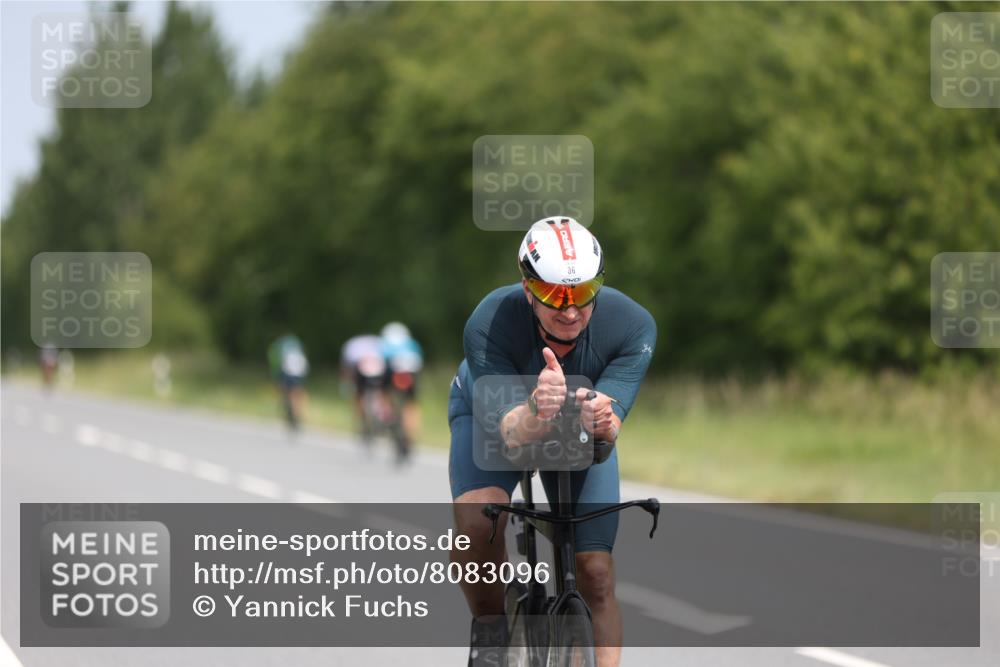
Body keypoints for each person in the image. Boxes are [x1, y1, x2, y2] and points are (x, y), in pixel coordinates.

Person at [448, 217, 656, 667]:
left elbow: (608, 433)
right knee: (477, 522)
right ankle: (489, 630)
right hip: (495, 417)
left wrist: (603, 419)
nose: (570, 310)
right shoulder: (489, 321)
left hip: (574, 422)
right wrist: (539, 409)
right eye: (555, 295)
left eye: (582, 293)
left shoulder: (632, 326)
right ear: (528, 289)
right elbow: (511, 435)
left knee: (596, 574)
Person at [379, 322, 424, 461]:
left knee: (384, 392)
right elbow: (419, 361)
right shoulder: (411, 343)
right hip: (411, 372)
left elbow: (380, 361)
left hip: (391, 371)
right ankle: (410, 433)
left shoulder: (384, 344)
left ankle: (386, 415)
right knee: (411, 403)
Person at [340, 333, 388, 446]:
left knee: (359, 395)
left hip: (362, 372)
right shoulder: (379, 342)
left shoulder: (352, 345)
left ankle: (363, 421)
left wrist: (346, 384)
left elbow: (347, 368)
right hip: (379, 370)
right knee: (382, 392)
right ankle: (384, 415)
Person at [267, 333, 310, 431]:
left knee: (285, 390)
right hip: (300, 367)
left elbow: (275, 362)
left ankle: (290, 412)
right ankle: (297, 413)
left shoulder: (278, 346)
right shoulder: (297, 344)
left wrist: (275, 375)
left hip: (288, 367)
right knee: (297, 391)